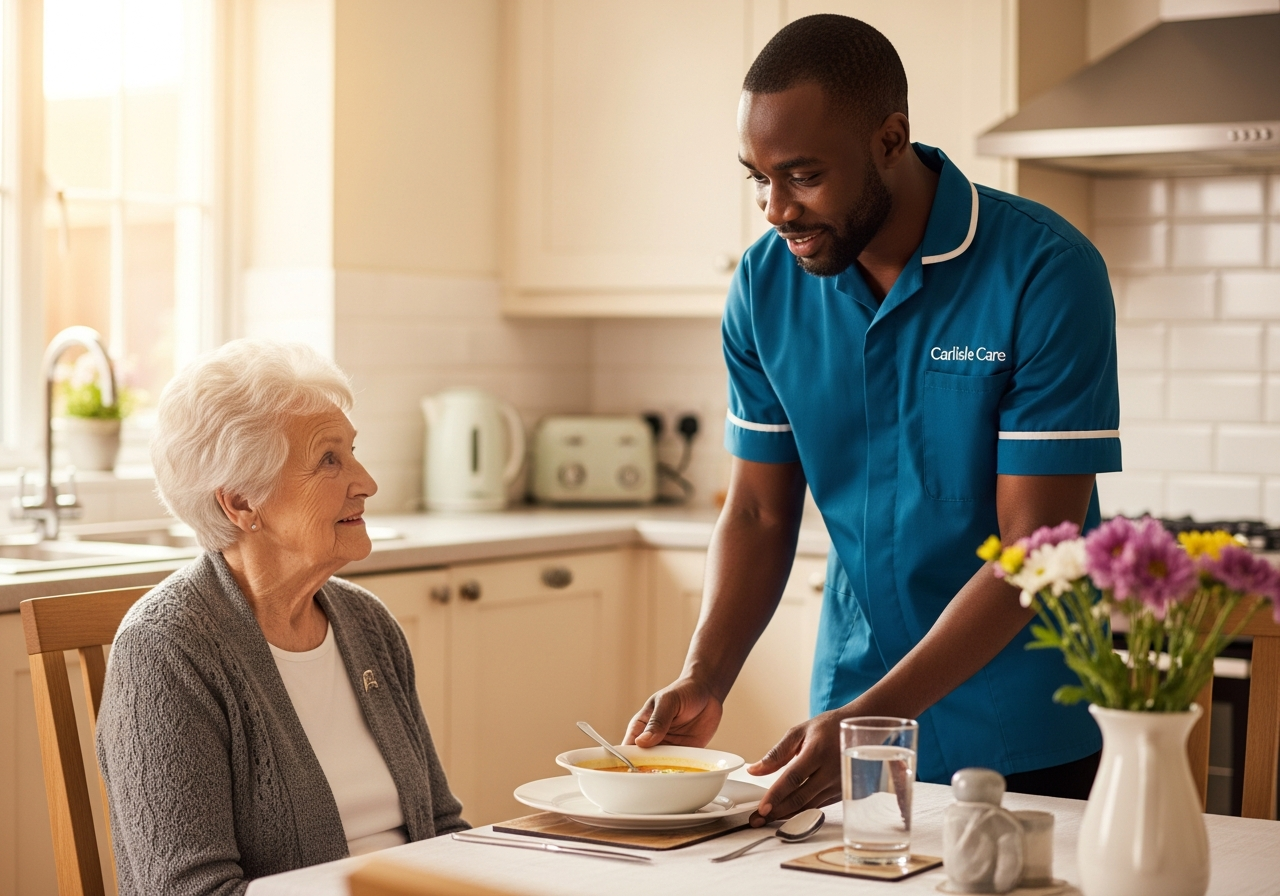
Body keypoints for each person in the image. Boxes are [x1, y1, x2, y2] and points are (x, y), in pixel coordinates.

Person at [626, 14, 1121, 825]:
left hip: (1026, 724)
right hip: (850, 714)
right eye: (756, 178)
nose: (775, 208)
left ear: (891, 139)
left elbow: (1036, 554)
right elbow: (754, 510)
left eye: (803, 175)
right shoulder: (764, 287)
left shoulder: (1045, 271)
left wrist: (872, 717)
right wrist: (705, 675)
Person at [96, 340, 467, 895]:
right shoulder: (165, 650)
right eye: (328, 459)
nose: (366, 482)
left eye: (352, 452)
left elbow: (441, 829)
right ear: (242, 503)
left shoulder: (368, 624)